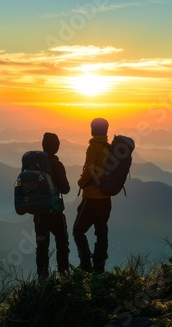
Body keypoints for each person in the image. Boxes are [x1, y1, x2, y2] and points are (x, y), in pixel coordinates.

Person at [73, 118, 111, 273]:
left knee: (77, 230)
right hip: (106, 199)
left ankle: (86, 265)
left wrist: (81, 183)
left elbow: (89, 168)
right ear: (106, 131)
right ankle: (99, 266)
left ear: (92, 130)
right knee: (101, 231)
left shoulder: (94, 147)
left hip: (91, 197)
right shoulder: (110, 148)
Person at [34, 132, 70, 277]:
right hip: (55, 212)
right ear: (57, 147)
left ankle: (42, 278)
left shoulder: (34, 165)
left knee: (41, 247)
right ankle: (63, 276)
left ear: (43, 146)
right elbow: (66, 189)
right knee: (62, 243)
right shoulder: (56, 165)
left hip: (39, 214)